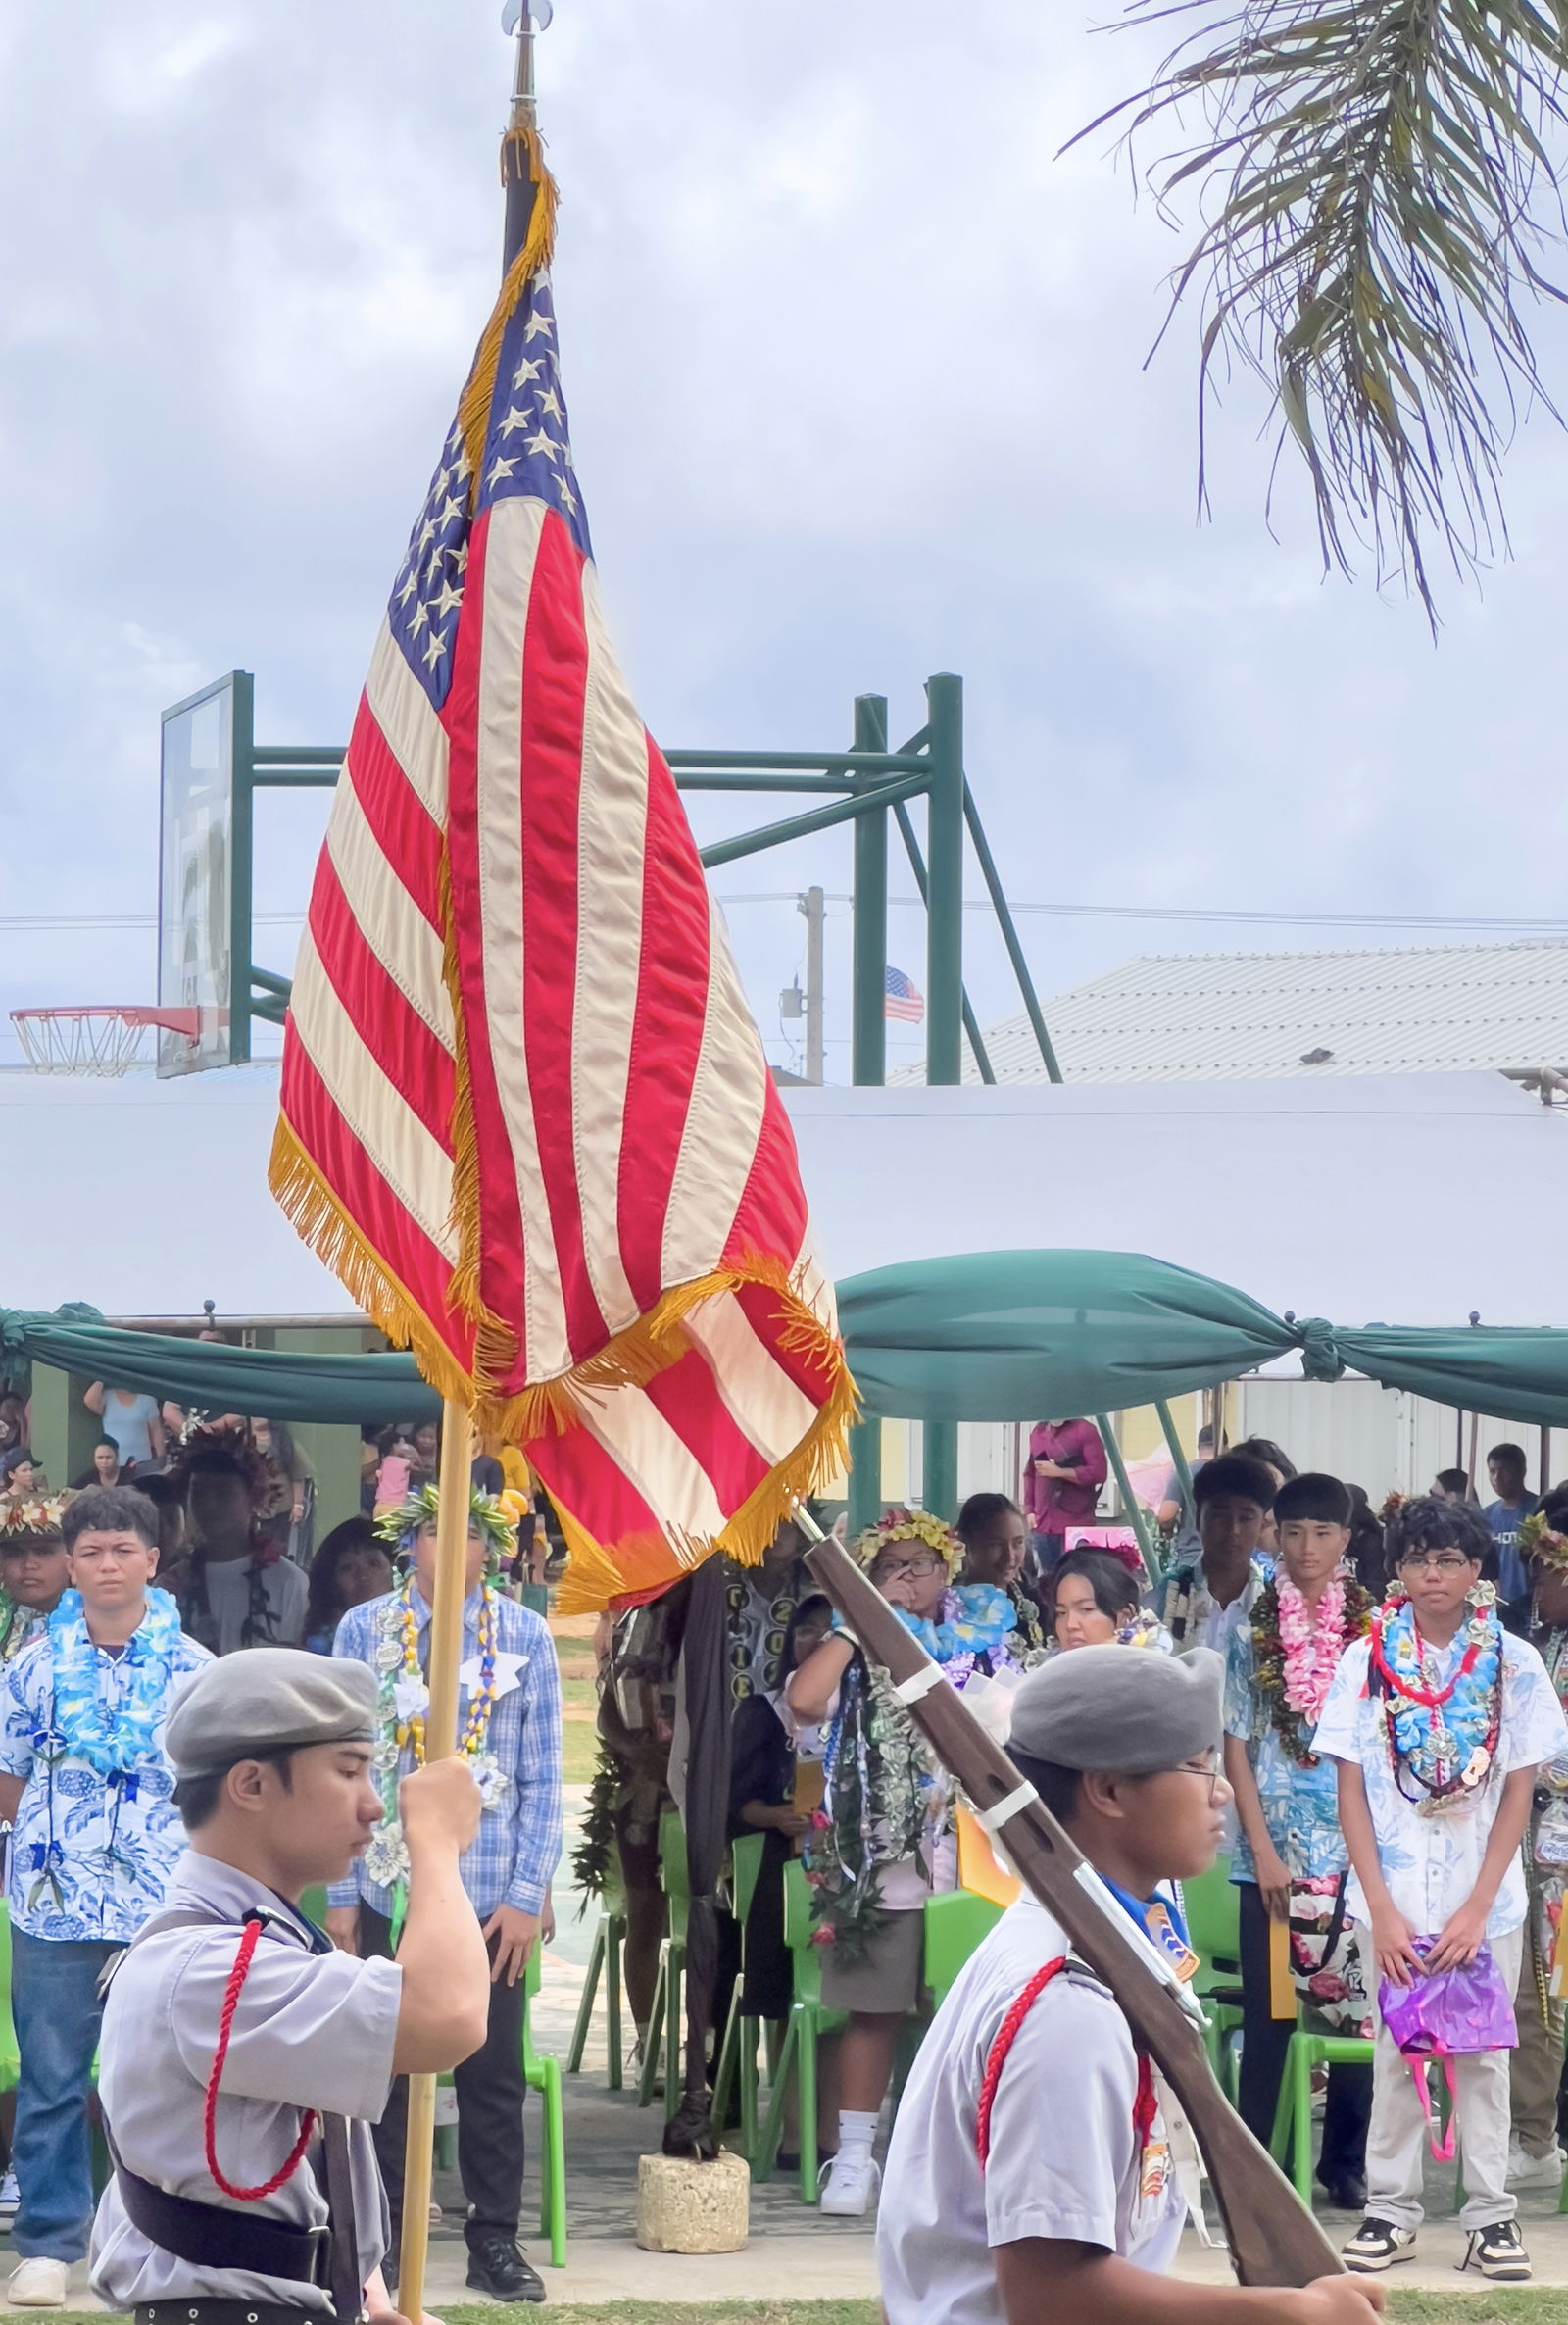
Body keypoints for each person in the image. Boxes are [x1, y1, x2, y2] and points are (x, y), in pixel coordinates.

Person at [876, 1644, 1381, 2325]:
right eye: (1198, 1766)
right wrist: (1290, 2313)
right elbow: (1051, 2297)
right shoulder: (1066, 2005)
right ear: (1109, 1790)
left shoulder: (1090, 1943)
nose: (1222, 1790)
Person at [88, 1650, 491, 2325]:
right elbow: (445, 2016)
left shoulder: (257, 1944)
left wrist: (363, 2298)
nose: (372, 1805)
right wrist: (437, 1845)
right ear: (250, 1784)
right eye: (348, 1770)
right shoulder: (210, 1966)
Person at [1316, 1494, 1568, 2280]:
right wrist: (1381, 1910)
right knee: (1395, 2048)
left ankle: (1491, 2217)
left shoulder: (1514, 1661)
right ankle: (1391, 2210)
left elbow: (1519, 1793)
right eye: (1419, 1558)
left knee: (1485, 2057)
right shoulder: (1367, 1660)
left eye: (1451, 1560)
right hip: (1387, 1896)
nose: (1434, 1573)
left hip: (1480, 1896)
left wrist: (1476, 1905)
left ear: (1476, 1572)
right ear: (1396, 1569)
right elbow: (1350, 1789)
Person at [326, 1480, 563, 2302]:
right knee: (381, 2076)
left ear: (491, 1550)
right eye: (434, 1534)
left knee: (491, 2076)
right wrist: (341, 1895)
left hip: (490, 1893)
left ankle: (494, 2240)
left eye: (468, 1535)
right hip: (389, 1886)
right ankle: (380, 2247)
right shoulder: (365, 1632)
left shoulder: (524, 1636)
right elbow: (341, 1764)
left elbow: (541, 1779)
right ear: (410, 1548)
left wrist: (528, 1896)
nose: (451, 1548)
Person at [0, 1484, 211, 2307]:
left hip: (163, 1905)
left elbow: (218, 1788)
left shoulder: (195, 1672)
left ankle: (163, 2236)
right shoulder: (31, 1667)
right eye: (90, 1552)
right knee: (53, 2077)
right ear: (70, 1567)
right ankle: (49, 2243)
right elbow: (8, 1782)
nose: (107, 1565)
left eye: (123, 1550)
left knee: (159, 2078)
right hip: (51, 1902)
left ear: (152, 1562)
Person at [787, 1508, 1026, 2216]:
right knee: (874, 2009)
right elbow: (803, 1702)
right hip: (884, 1852)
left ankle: (957, 2161)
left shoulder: (982, 1632)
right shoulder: (858, 1644)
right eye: (890, 1567)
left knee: (974, 2012)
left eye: (922, 1564)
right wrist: (858, 1621)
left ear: (949, 1570)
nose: (908, 1579)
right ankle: (856, 2159)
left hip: (975, 1851)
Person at [1223, 1473, 1375, 2206]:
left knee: (1357, 2017)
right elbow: (1235, 1746)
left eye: (1322, 1534)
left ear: (1345, 1541)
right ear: (1273, 1537)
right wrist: (1263, 1850)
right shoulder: (1250, 1623)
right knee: (1272, 2017)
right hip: (1271, 1862)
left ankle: (1345, 2163)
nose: (1307, 1548)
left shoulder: (1375, 1628)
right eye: (1293, 1533)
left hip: (1354, 1863)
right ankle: (1263, 2170)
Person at [1508, 1503, 1568, 2190]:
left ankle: (1534, 2140)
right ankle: (1532, 2138)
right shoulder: (1533, 1639)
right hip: (1531, 1854)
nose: (1535, 1587)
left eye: (1546, 1572)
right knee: (1532, 1996)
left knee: (1546, 1998)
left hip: (1556, 1855)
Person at [170, 1429, 309, 1652]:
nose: (209, 1504)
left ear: (254, 1498)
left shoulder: (288, 1583)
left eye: (223, 1493)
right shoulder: (171, 1586)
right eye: (199, 1492)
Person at [1160, 1453, 1276, 1656]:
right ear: (1198, 1520)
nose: (1234, 1530)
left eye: (1246, 1518)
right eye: (1220, 1515)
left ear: (1262, 1525)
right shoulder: (1162, 1600)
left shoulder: (1278, 1606)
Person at [956, 1494, 1044, 1654]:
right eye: (996, 1544)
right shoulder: (948, 1605)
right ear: (966, 1543)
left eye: (1018, 1543)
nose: (1009, 1557)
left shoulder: (1036, 1602)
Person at [1021, 1418, 1107, 1576]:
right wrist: (1029, 1509)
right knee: (1045, 1580)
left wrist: (1060, 1472)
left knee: (1074, 1577)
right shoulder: (1038, 1432)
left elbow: (1099, 1473)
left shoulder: (1085, 1430)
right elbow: (1030, 1474)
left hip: (1075, 1522)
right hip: (1042, 1522)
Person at [304, 1516, 395, 1654]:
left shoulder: (416, 1631)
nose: (362, 1576)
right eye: (347, 1567)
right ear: (332, 1583)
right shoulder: (317, 1646)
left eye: (373, 1563)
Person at [1048, 1549, 1166, 1652]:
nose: (1070, 1625)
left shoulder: (1151, 1671)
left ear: (1125, 1616)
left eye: (1086, 1609)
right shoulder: (1047, 1673)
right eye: (1061, 1613)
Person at [0, 1499, 71, 1665]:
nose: (29, 1565)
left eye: (43, 1552)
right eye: (15, 1554)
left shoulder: (99, 1626)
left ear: (73, 1560)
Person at [1483, 1443, 1539, 1623]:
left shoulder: (1539, 1510)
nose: (1497, 1478)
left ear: (1521, 1471)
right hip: (1498, 1608)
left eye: (1504, 1471)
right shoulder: (1486, 1516)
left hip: (1532, 1607)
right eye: (1492, 1472)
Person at [249, 1418, 316, 1562]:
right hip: (250, 1505)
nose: (257, 1418)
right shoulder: (242, 1439)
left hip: (280, 1505)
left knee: (277, 1547)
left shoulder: (285, 1441)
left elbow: (298, 1474)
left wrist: (298, 1504)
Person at [82, 1383, 164, 1471]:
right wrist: (103, 1376)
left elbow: (156, 1431)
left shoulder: (147, 1399)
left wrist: (161, 1459)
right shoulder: (107, 1397)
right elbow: (89, 1401)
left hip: (141, 1462)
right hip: (113, 1464)